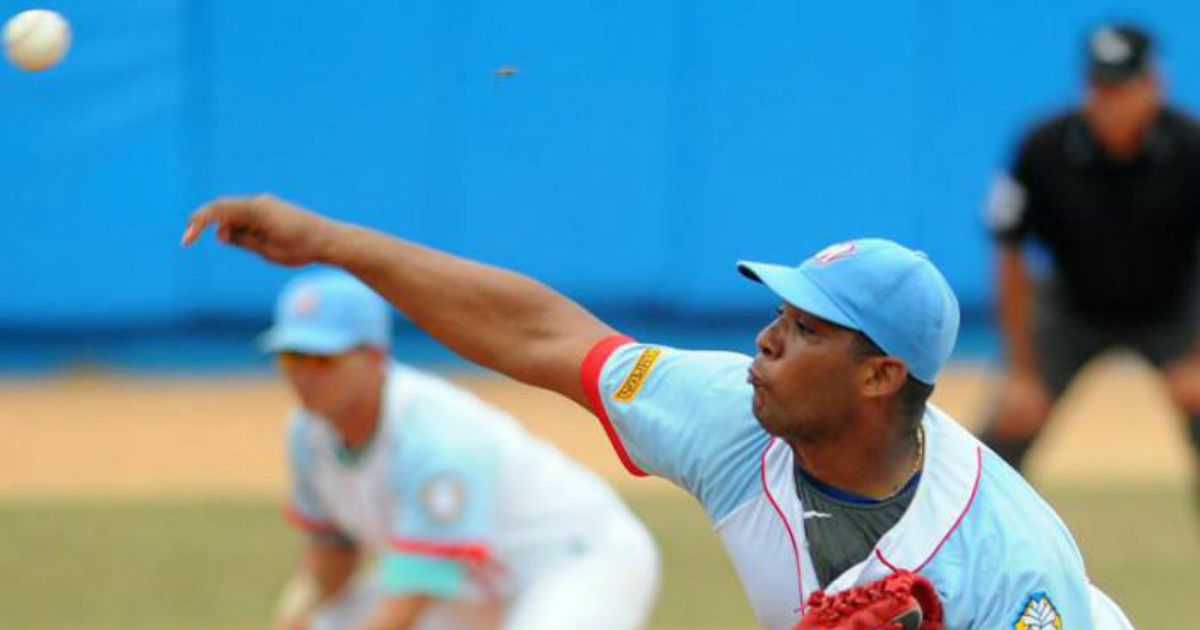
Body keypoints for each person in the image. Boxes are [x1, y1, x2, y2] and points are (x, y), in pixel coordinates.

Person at [181, 196, 1134, 629]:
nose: (765, 341)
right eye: (777, 315)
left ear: (880, 376)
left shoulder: (1005, 567)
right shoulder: (730, 414)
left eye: (805, 330)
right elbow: (540, 333)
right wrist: (334, 242)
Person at [260, 270, 660, 630]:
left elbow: (407, 604)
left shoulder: (433, 438)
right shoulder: (306, 433)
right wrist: (297, 611)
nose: (303, 374)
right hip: (470, 580)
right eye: (292, 356)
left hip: (576, 562)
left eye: (322, 358)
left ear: (374, 356)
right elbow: (332, 552)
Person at [980, 24, 1200, 499]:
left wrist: (1198, 357)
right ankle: (956, 557)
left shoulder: (1191, 146)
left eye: (1123, 88)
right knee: (1004, 432)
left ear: (1154, 85)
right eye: (1099, 87)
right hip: (1072, 305)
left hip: (1174, 306)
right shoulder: (1042, 148)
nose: (1109, 102)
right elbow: (1010, 251)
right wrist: (1022, 372)